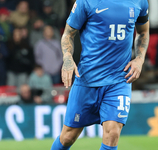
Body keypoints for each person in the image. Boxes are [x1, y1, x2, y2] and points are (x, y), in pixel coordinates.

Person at [51, 0, 149, 150]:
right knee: (68, 137)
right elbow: (68, 34)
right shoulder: (86, 2)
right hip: (87, 80)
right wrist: (68, 59)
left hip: (119, 80)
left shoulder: (139, 2)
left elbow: (143, 31)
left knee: (112, 133)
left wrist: (140, 59)